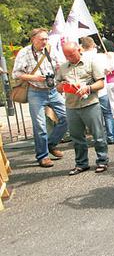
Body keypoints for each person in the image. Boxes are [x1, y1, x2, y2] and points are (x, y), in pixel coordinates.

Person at [11, 28, 68, 168]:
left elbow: (59, 67)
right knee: (40, 126)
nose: (45, 41)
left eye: (46, 39)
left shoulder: (50, 50)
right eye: (42, 39)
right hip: (35, 91)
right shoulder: (24, 53)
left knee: (67, 118)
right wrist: (34, 77)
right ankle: (43, 156)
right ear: (33, 39)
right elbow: (16, 73)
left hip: (53, 90)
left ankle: (50, 144)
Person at [56, 41, 110, 175]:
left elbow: (101, 82)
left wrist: (88, 88)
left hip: (90, 103)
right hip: (71, 106)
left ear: (79, 50)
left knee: (98, 134)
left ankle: (102, 160)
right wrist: (62, 86)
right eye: (66, 55)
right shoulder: (62, 68)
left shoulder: (91, 62)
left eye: (71, 54)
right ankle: (81, 163)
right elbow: (57, 87)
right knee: (76, 137)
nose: (69, 57)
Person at [80, 37, 114, 144]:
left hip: (87, 90)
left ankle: (98, 137)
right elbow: (109, 70)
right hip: (101, 88)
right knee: (107, 113)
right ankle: (111, 136)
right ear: (93, 45)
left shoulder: (81, 57)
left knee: (94, 116)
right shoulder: (101, 56)